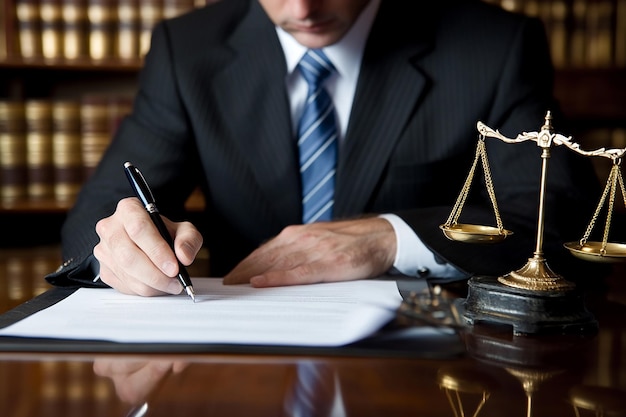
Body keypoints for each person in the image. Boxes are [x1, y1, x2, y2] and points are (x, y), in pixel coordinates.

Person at [45, 0, 607, 296]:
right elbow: (95, 220)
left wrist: (391, 237)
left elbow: (554, 215)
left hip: (431, 368)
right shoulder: (186, 49)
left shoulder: (494, 46)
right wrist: (121, 247)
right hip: (240, 359)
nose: (302, 8)